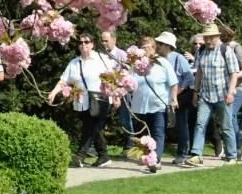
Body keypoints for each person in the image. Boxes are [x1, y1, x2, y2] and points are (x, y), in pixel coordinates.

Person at [47, 32, 117, 168]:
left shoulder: (101, 59)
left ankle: (80, 156)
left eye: (86, 42)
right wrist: (54, 92)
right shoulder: (74, 63)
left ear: (92, 44)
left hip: (99, 100)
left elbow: (113, 78)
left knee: (90, 127)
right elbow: (64, 80)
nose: (83, 44)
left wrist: (116, 96)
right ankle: (103, 156)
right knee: (93, 128)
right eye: (81, 42)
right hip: (81, 102)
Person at [185, 23, 239, 167]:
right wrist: (195, 93)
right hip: (205, 95)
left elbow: (234, 73)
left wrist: (231, 92)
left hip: (223, 95)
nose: (208, 40)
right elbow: (199, 74)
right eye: (206, 37)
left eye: (210, 38)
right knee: (200, 124)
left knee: (226, 126)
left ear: (217, 37)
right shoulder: (201, 51)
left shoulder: (226, 50)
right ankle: (196, 155)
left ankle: (232, 156)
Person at [129, 35, 178, 173]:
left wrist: (174, 99)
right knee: (145, 135)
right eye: (142, 48)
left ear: (154, 48)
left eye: (147, 47)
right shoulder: (136, 64)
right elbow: (130, 82)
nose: (145, 50)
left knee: (158, 133)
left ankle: (155, 160)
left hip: (159, 105)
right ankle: (148, 158)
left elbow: (173, 83)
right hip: (140, 106)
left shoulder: (162, 62)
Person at [154, 31, 194, 163]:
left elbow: (188, 77)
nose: (157, 46)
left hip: (181, 95)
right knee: (161, 125)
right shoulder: (156, 58)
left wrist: (176, 93)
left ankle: (182, 153)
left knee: (181, 124)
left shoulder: (178, 58)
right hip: (162, 96)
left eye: (160, 44)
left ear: (167, 45)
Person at [218, 26, 242, 160]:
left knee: (230, 116)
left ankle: (236, 148)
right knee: (228, 117)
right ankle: (233, 149)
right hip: (227, 87)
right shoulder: (220, 49)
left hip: (240, 87)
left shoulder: (237, 48)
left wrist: (234, 76)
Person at [100, 30, 136, 152]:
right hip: (105, 93)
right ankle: (97, 147)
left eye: (106, 40)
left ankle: (129, 146)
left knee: (125, 120)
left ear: (114, 40)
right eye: (102, 40)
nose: (103, 43)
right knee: (100, 119)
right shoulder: (100, 55)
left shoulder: (122, 55)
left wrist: (118, 95)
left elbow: (129, 77)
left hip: (122, 94)